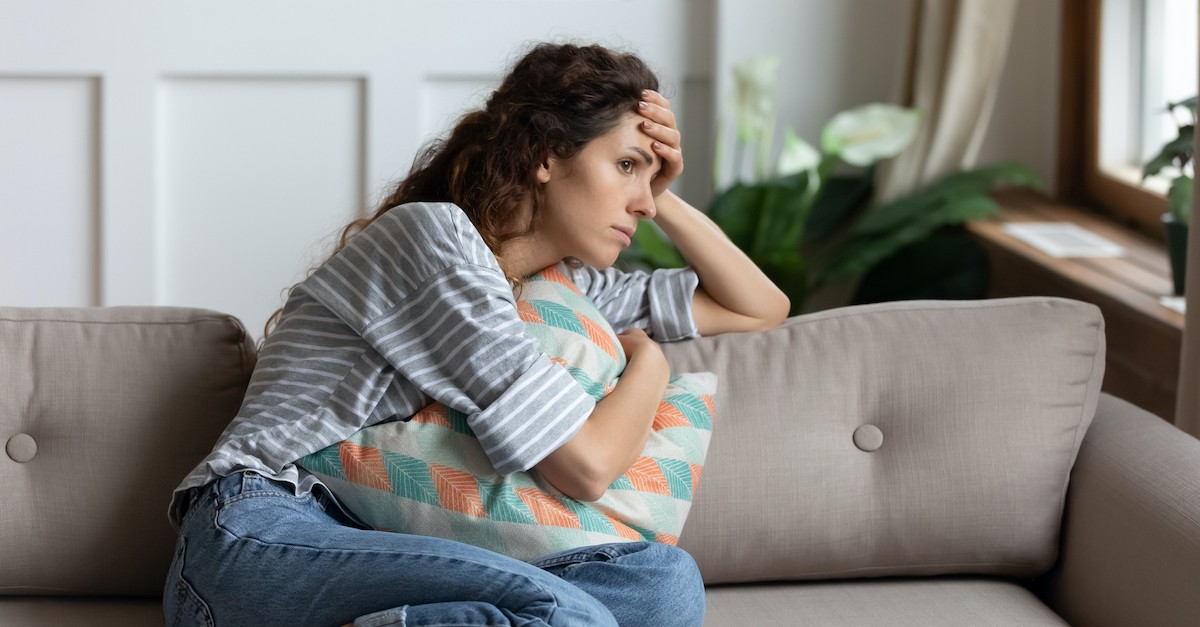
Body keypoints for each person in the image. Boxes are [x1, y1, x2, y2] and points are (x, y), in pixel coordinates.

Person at [163, 42, 790, 627]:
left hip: (372, 534)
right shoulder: (435, 243)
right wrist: (649, 363)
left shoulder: (560, 287)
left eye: (647, 179)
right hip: (256, 531)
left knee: (662, 585)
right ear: (546, 156)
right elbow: (587, 467)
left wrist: (664, 192)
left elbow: (760, 307)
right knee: (567, 613)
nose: (643, 204)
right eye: (625, 165)